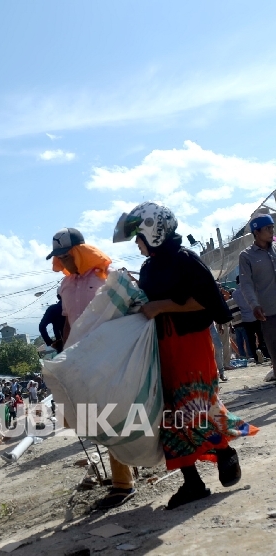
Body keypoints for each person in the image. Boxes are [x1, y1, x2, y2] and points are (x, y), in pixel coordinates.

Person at [113, 201, 258, 509]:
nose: (137, 245)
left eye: (138, 238)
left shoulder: (184, 260)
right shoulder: (150, 267)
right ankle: (192, 482)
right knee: (170, 413)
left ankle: (223, 452)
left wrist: (162, 306)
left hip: (190, 343)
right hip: (163, 347)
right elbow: (153, 300)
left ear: (153, 233)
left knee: (196, 405)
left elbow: (206, 301)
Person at [48, 226, 135, 510]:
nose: (64, 262)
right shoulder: (66, 285)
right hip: (82, 358)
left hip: (111, 354)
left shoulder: (107, 277)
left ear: (79, 252)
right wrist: (65, 353)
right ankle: (127, 470)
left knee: (113, 413)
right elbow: (69, 321)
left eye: (67, 255)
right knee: (98, 416)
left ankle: (123, 483)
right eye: (59, 257)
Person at [238, 212, 276, 378]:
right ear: (256, 232)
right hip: (268, 311)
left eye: (272, 227)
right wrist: (254, 305)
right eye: (268, 228)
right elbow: (246, 284)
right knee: (274, 347)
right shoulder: (246, 256)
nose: (271, 231)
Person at [228, 283, 251, 361]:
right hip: (242, 322)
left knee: (239, 341)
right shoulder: (237, 300)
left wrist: (231, 326)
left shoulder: (227, 302)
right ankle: (250, 354)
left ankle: (242, 355)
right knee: (247, 339)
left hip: (235, 324)